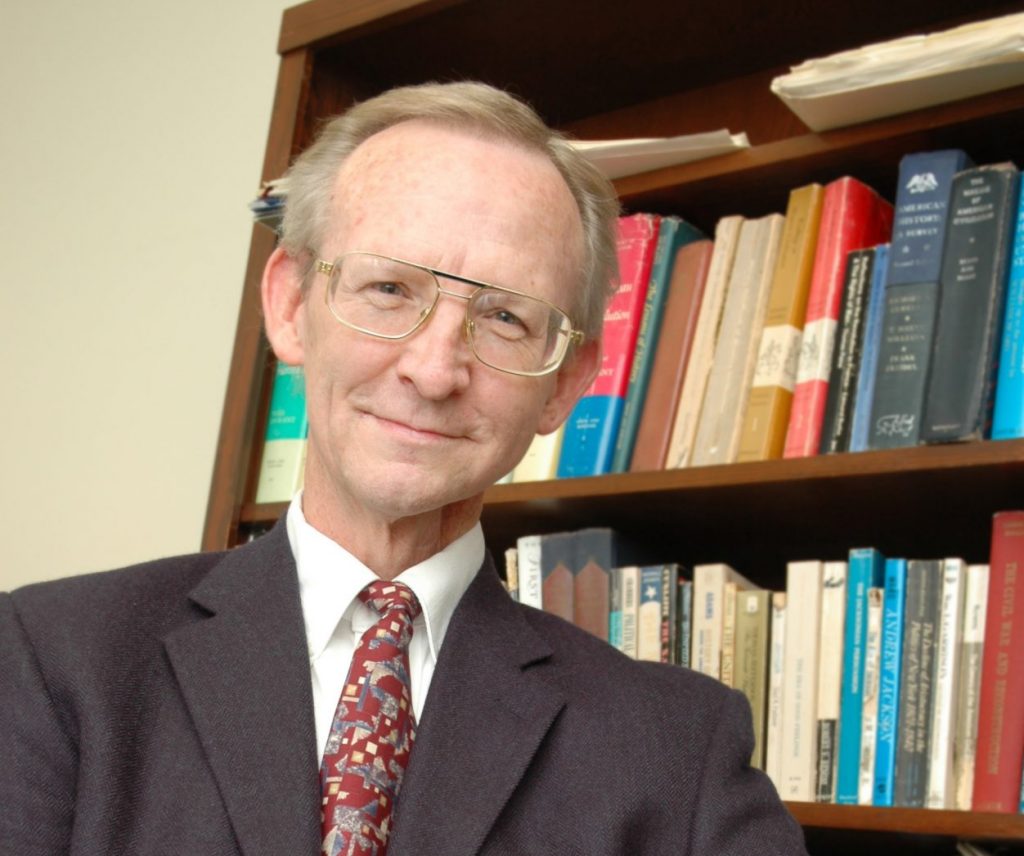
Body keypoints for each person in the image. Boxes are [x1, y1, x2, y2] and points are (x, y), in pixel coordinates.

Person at [1, 81, 808, 855]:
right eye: (389, 287)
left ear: (564, 382)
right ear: (289, 305)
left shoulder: (679, 747)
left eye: (503, 317)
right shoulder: (51, 659)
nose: (433, 369)